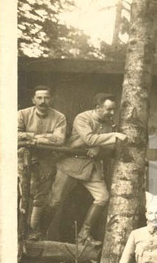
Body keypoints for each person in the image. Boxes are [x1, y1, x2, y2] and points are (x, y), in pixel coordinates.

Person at [46, 92, 127, 245]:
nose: (112, 113)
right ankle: (41, 233)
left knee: (102, 197)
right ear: (97, 108)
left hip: (90, 166)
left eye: (113, 110)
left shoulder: (109, 123)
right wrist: (113, 135)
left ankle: (84, 235)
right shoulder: (83, 118)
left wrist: (99, 149)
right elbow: (89, 138)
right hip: (70, 164)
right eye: (108, 109)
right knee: (55, 201)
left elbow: (110, 148)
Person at [17, 86, 67, 240]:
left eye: (46, 98)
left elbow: (59, 140)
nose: (42, 101)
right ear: (33, 99)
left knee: (41, 195)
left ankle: (32, 231)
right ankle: (18, 231)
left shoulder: (59, 117)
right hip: (23, 158)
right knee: (23, 192)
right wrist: (44, 136)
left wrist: (30, 138)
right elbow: (14, 135)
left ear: (51, 99)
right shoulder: (22, 114)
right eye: (39, 98)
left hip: (47, 159)